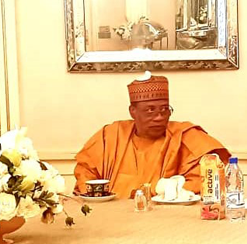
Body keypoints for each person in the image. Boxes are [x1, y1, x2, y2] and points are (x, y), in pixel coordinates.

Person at [74, 71, 230, 198]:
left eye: (164, 110)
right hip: (111, 217)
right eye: (150, 110)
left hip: (168, 218)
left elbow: (207, 179)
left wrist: (161, 192)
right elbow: (85, 175)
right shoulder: (111, 136)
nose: (159, 117)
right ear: (132, 111)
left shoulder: (186, 136)